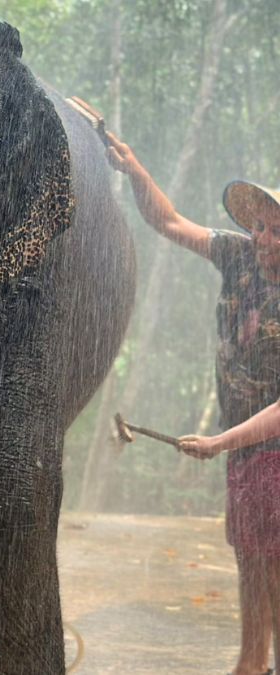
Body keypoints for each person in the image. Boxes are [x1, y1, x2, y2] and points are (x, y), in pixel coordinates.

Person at [108, 134, 280, 675]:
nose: (264, 238)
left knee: (275, 564)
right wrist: (135, 168)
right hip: (246, 450)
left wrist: (218, 442)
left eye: (276, 231)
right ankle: (250, 662)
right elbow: (171, 223)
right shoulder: (238, 256)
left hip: (270, 444)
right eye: (260, 227)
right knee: (250, 559)